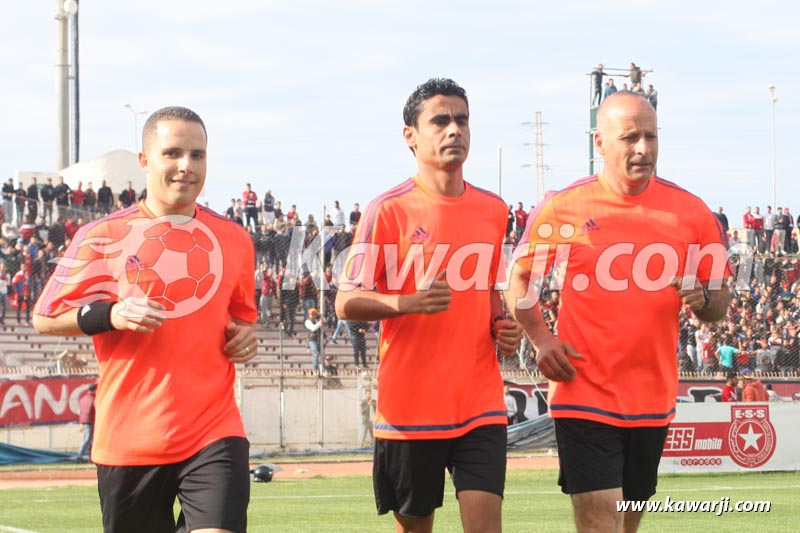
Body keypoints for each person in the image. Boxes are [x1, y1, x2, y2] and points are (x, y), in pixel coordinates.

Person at [505, 92, 731, 533]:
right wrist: (542, 339)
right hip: (583, 390)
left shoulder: (693, 213)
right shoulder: (565, 206)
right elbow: (519, 279)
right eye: (630, 137)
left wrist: (703, 299)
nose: (643, 149)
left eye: (650, 136)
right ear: (600, 142)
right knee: (598, 523)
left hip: (652, 397)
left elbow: (720, 305)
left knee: (627, 524)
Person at [33, 106, 257, 533]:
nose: (186, 166)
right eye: (172, 153)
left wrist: (246, 337)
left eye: (197, 154)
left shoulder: (234, 239)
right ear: (145, 160)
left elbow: (243, 318)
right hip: (130, 440)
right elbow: (45, 317)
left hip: (214, 429)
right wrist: (110, 314)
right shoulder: (102, 237)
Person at [335, 78, 523, 533]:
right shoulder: (388, 211)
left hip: (480, 403)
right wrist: (407, 302)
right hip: (410, 409)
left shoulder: (494, 210)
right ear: (411, 135)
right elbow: (346, 301)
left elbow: (492, 291)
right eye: (440, 120)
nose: (454, 129)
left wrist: (505, 325)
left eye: (462, 119)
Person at [78, 383, 97, 460]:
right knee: (88, 439)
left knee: (90, 439)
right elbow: (96, 410)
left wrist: (81, 423)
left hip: (84, 420)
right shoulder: (93, 399)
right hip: (90, 420)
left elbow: (81, 411)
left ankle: (91, 456)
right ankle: (79, 455)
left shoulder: (83, 399)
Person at [305, 307, 324, 373]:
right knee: (315, 354)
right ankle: (315, 370)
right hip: (312, 340)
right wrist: (320, 322)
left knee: (322, 355)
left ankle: (323, 370)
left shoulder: (317, 320)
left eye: (313, 314)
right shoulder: (307, 321)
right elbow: (313, 328)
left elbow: (323, 320)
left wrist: (320, 318)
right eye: (311, 314)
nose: (312, 315)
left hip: (319, 339)